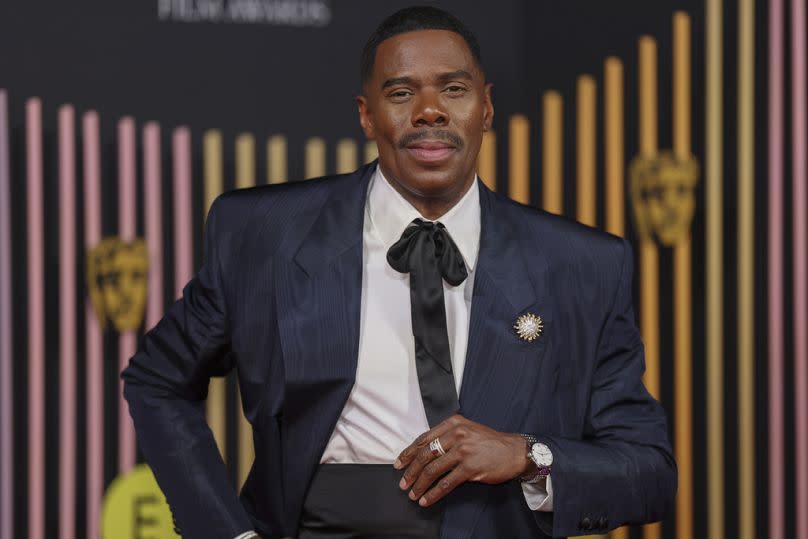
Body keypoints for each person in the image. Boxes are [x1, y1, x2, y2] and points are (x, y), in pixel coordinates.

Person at [122, 6, 676, 539]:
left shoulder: (581, 265)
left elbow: (646, 473)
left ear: (486, 108)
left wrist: (527, 455)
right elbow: (157, 381)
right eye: (402, 92)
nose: (429, 111)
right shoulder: (264, 236)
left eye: (453, 90)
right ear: (367, 114)